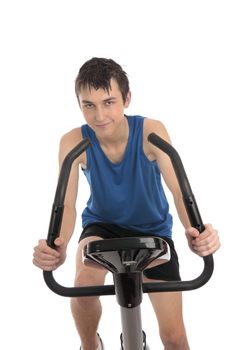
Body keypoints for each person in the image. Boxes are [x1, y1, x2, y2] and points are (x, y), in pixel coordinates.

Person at [33, 57, 220, 350]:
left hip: (153, 231)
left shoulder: (150, 132)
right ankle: (90, 345)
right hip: (101, 227)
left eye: (108, 102)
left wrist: (196, 231)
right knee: (83, 287)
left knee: (174, 338)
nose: (99, 115)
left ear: (127, 99)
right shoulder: (72, 142)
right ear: (79, 105)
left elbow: (178, 190)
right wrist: (59, 245)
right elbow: (67, 205)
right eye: (89, 105)